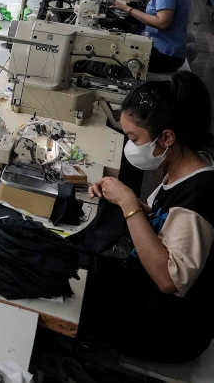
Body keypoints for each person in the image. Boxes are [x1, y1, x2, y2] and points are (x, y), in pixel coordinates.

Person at [79, 73, 214, 363]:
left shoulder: (199, 195)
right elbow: (164, 222)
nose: (130, 145)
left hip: (170, 331)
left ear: (167, 137)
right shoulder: (183, 166)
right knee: (76, 268)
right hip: (144, 290)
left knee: (70, 296)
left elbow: (169, 280)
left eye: (133, 137)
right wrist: (121, 200)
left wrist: (129, 205)